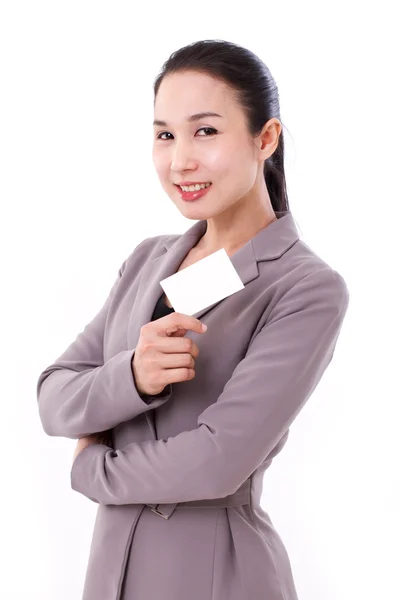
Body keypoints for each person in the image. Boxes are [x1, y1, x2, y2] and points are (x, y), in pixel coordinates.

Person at [36, 39, 350, 600]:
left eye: (205, 131)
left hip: (213, 575)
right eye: (165, 134)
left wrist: (91, 472)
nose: (180, 159)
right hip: (110, 575)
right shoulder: (147, 261)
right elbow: (54, 396)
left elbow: (217, 460)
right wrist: (133, 374)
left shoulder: (304, 287)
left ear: (266, 138)